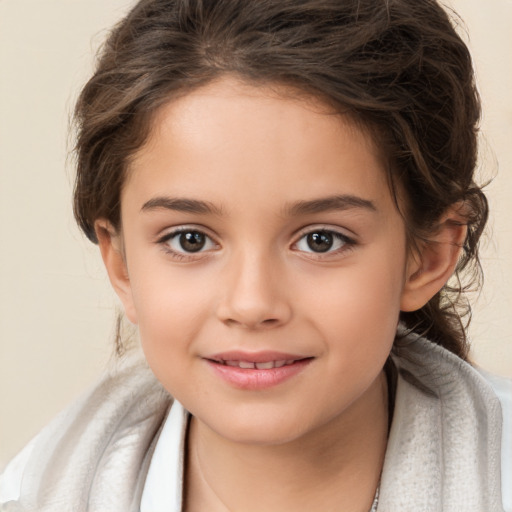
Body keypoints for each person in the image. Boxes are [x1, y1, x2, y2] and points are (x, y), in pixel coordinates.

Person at [1, 0, 510, 510]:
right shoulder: (36, 494)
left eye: (320, 240)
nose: (250, 303)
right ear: (122, 264)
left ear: (428, 255)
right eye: (190, 240)